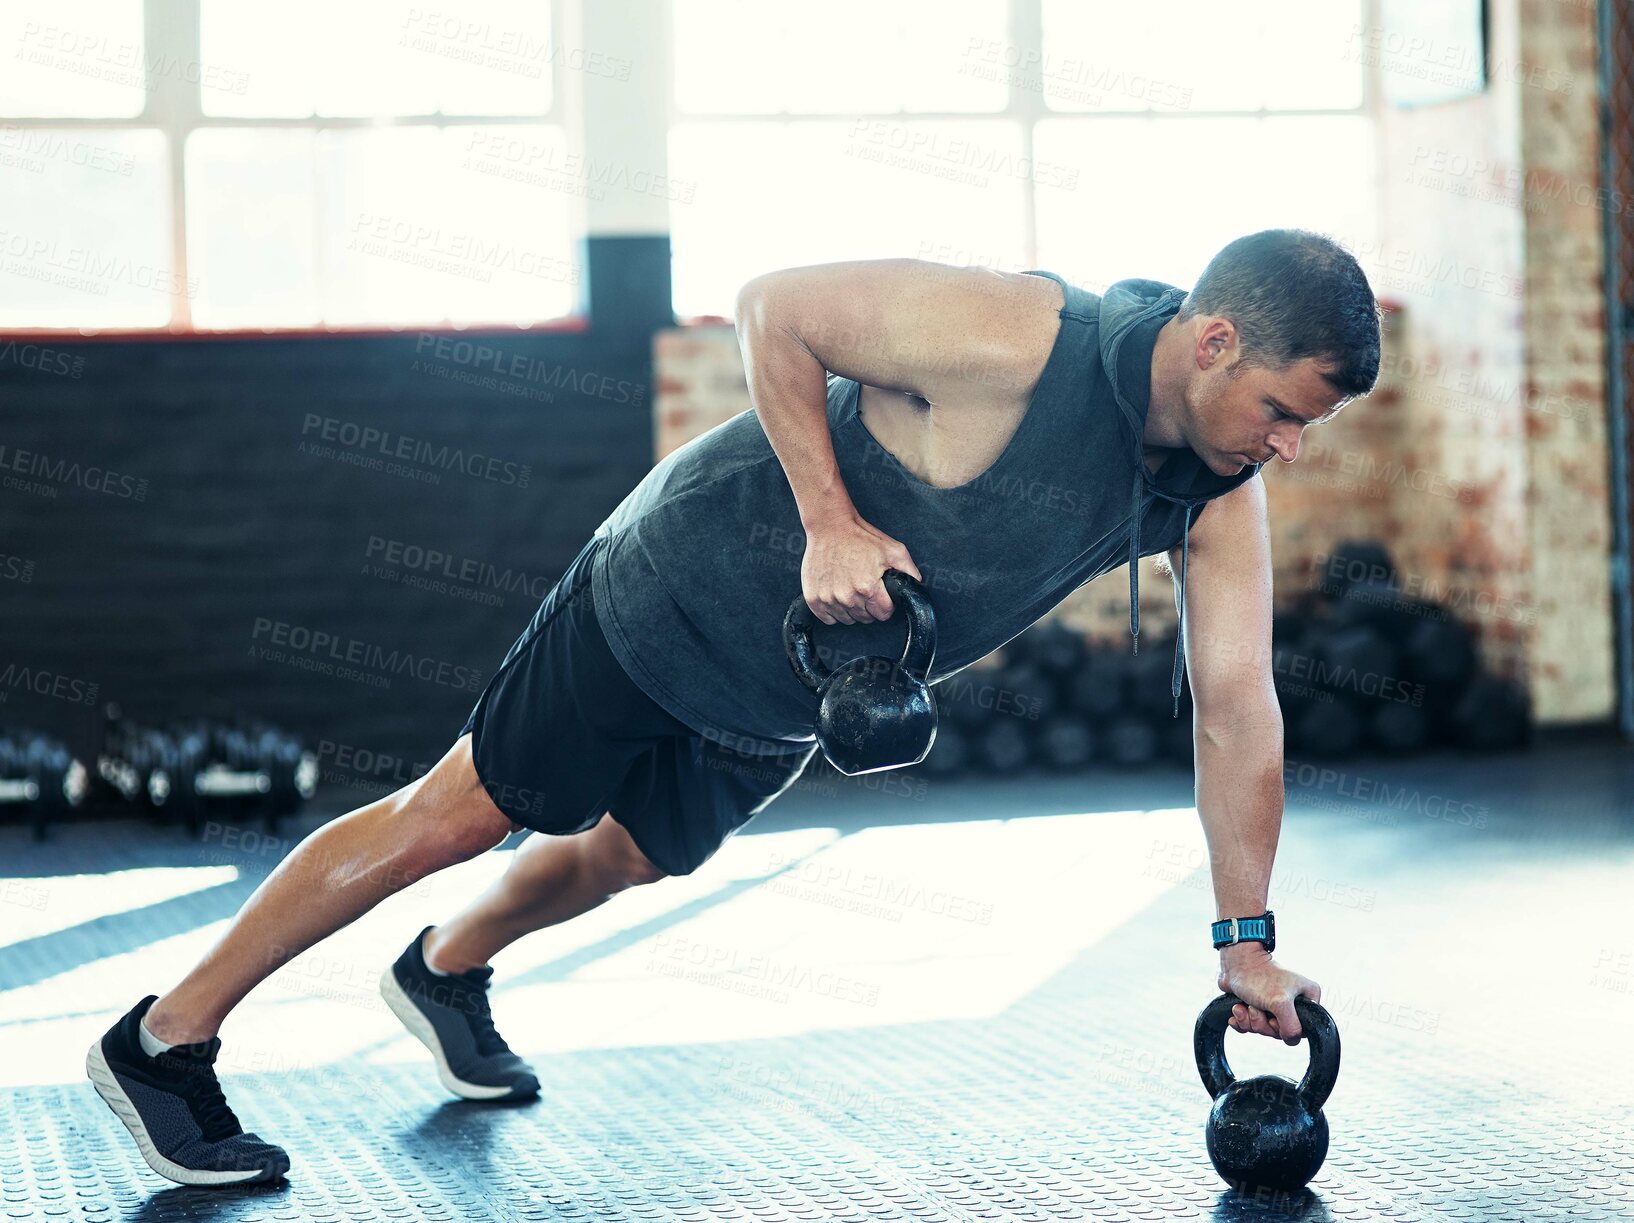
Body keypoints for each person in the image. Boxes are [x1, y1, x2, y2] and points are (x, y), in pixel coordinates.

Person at [87, 228, 1380, 1187]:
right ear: (1214, 341)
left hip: (789, 686)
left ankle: (445, 970)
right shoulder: (1017, 337)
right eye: (1279, 411)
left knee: (631, 855)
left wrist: (1243, 935)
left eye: (1303, 427)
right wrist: (828, 516)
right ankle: (162, 1040)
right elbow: (777, 307)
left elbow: (1232, 708)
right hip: (668, 588)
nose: (1286, 446)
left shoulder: (1210, 492)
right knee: (456, 816)